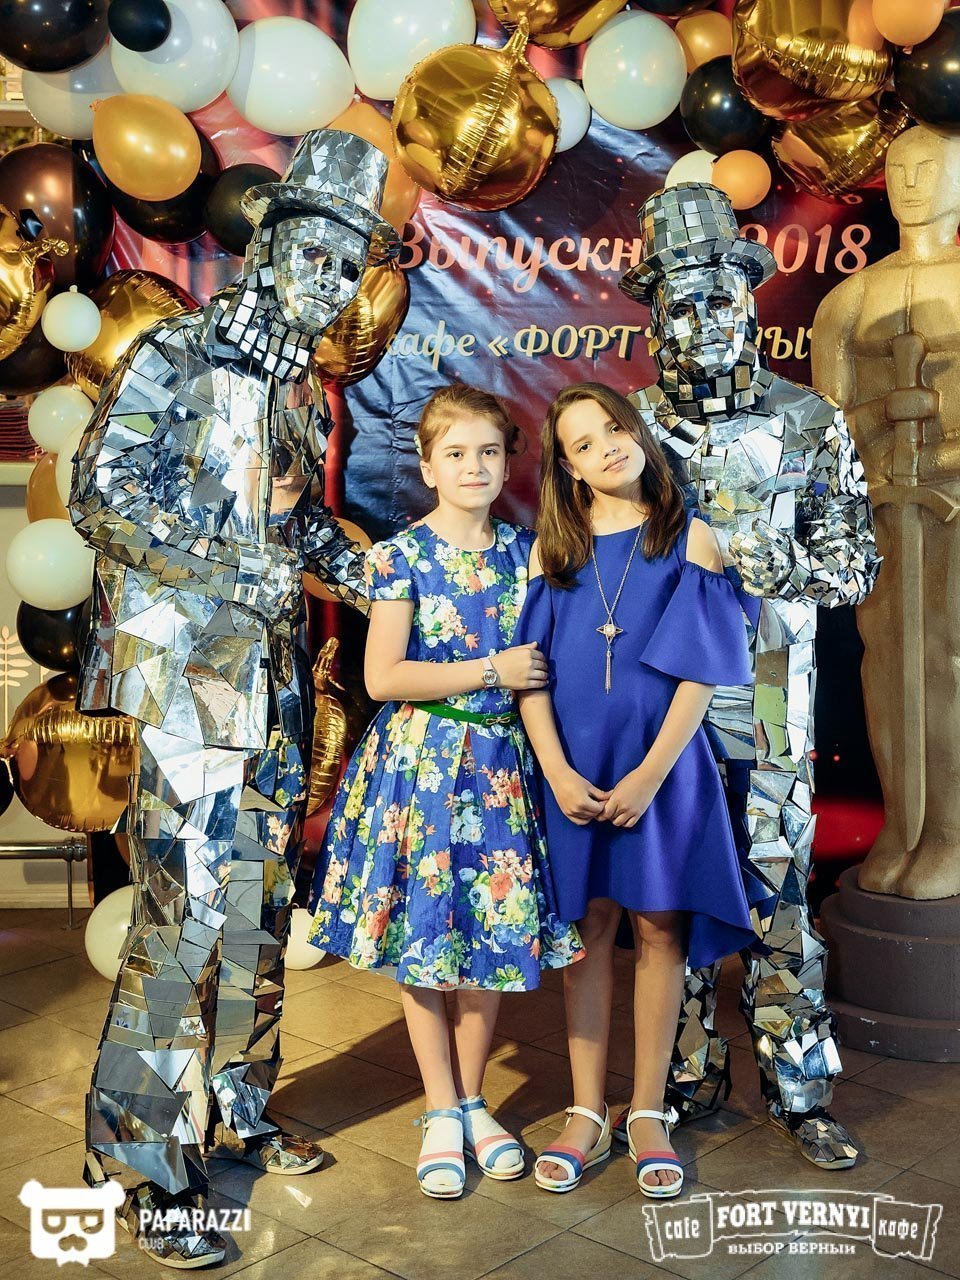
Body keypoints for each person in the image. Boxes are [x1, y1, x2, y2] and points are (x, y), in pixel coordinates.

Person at [68, 129, 396, 1268]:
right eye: (315, 254)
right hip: (181, 683)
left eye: (349, 266)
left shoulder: (305, 386)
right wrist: (227, 566)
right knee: (182, 919)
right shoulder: (175, 351)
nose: (330, 281)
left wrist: (377, 573)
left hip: (272, 684)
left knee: (260, 908)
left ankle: (241, 1106)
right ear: (270, 245)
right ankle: (139, 1158)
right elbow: (100, 495)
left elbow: (295, 528)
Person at [622, 182, 879, 1167]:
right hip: (662, 701)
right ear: (653, 317)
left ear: (749, 297)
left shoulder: (808, 419)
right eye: (680, 303)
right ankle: (685, 1075)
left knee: (780, 891)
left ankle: (800, 1085)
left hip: (772, 691)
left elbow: (854, 566)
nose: (703, 319)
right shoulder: (630, 426)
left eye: (718, 296)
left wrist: (760, 556)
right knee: (675, 891)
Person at [307, 384, 584, 1200]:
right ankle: (438, 1106)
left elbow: (546, 670)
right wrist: (490, 669)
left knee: (491, 935)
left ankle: (471, 1102)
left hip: (500, 770)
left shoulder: (527, 553)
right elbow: (384, 677)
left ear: (508, 462)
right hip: (422, 767)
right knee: (426, 937)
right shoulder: (401, 556)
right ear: (427, 467)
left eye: (489, 451)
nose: (474, 466)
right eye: (455, 453)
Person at [514, 382, 757, 1200]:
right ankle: (586, 1110)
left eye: (614, 428)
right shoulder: (554, 551)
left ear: (639, 433)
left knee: (659, 929)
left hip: (664, 768)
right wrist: (555, 770)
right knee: (587, 934)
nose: (606, 447)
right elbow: (531, 677)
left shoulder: (691, 537)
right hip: (575, 771)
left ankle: (647, 1111)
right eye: (583, 443)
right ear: (568, 468)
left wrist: (651, 773)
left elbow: (700, 672)